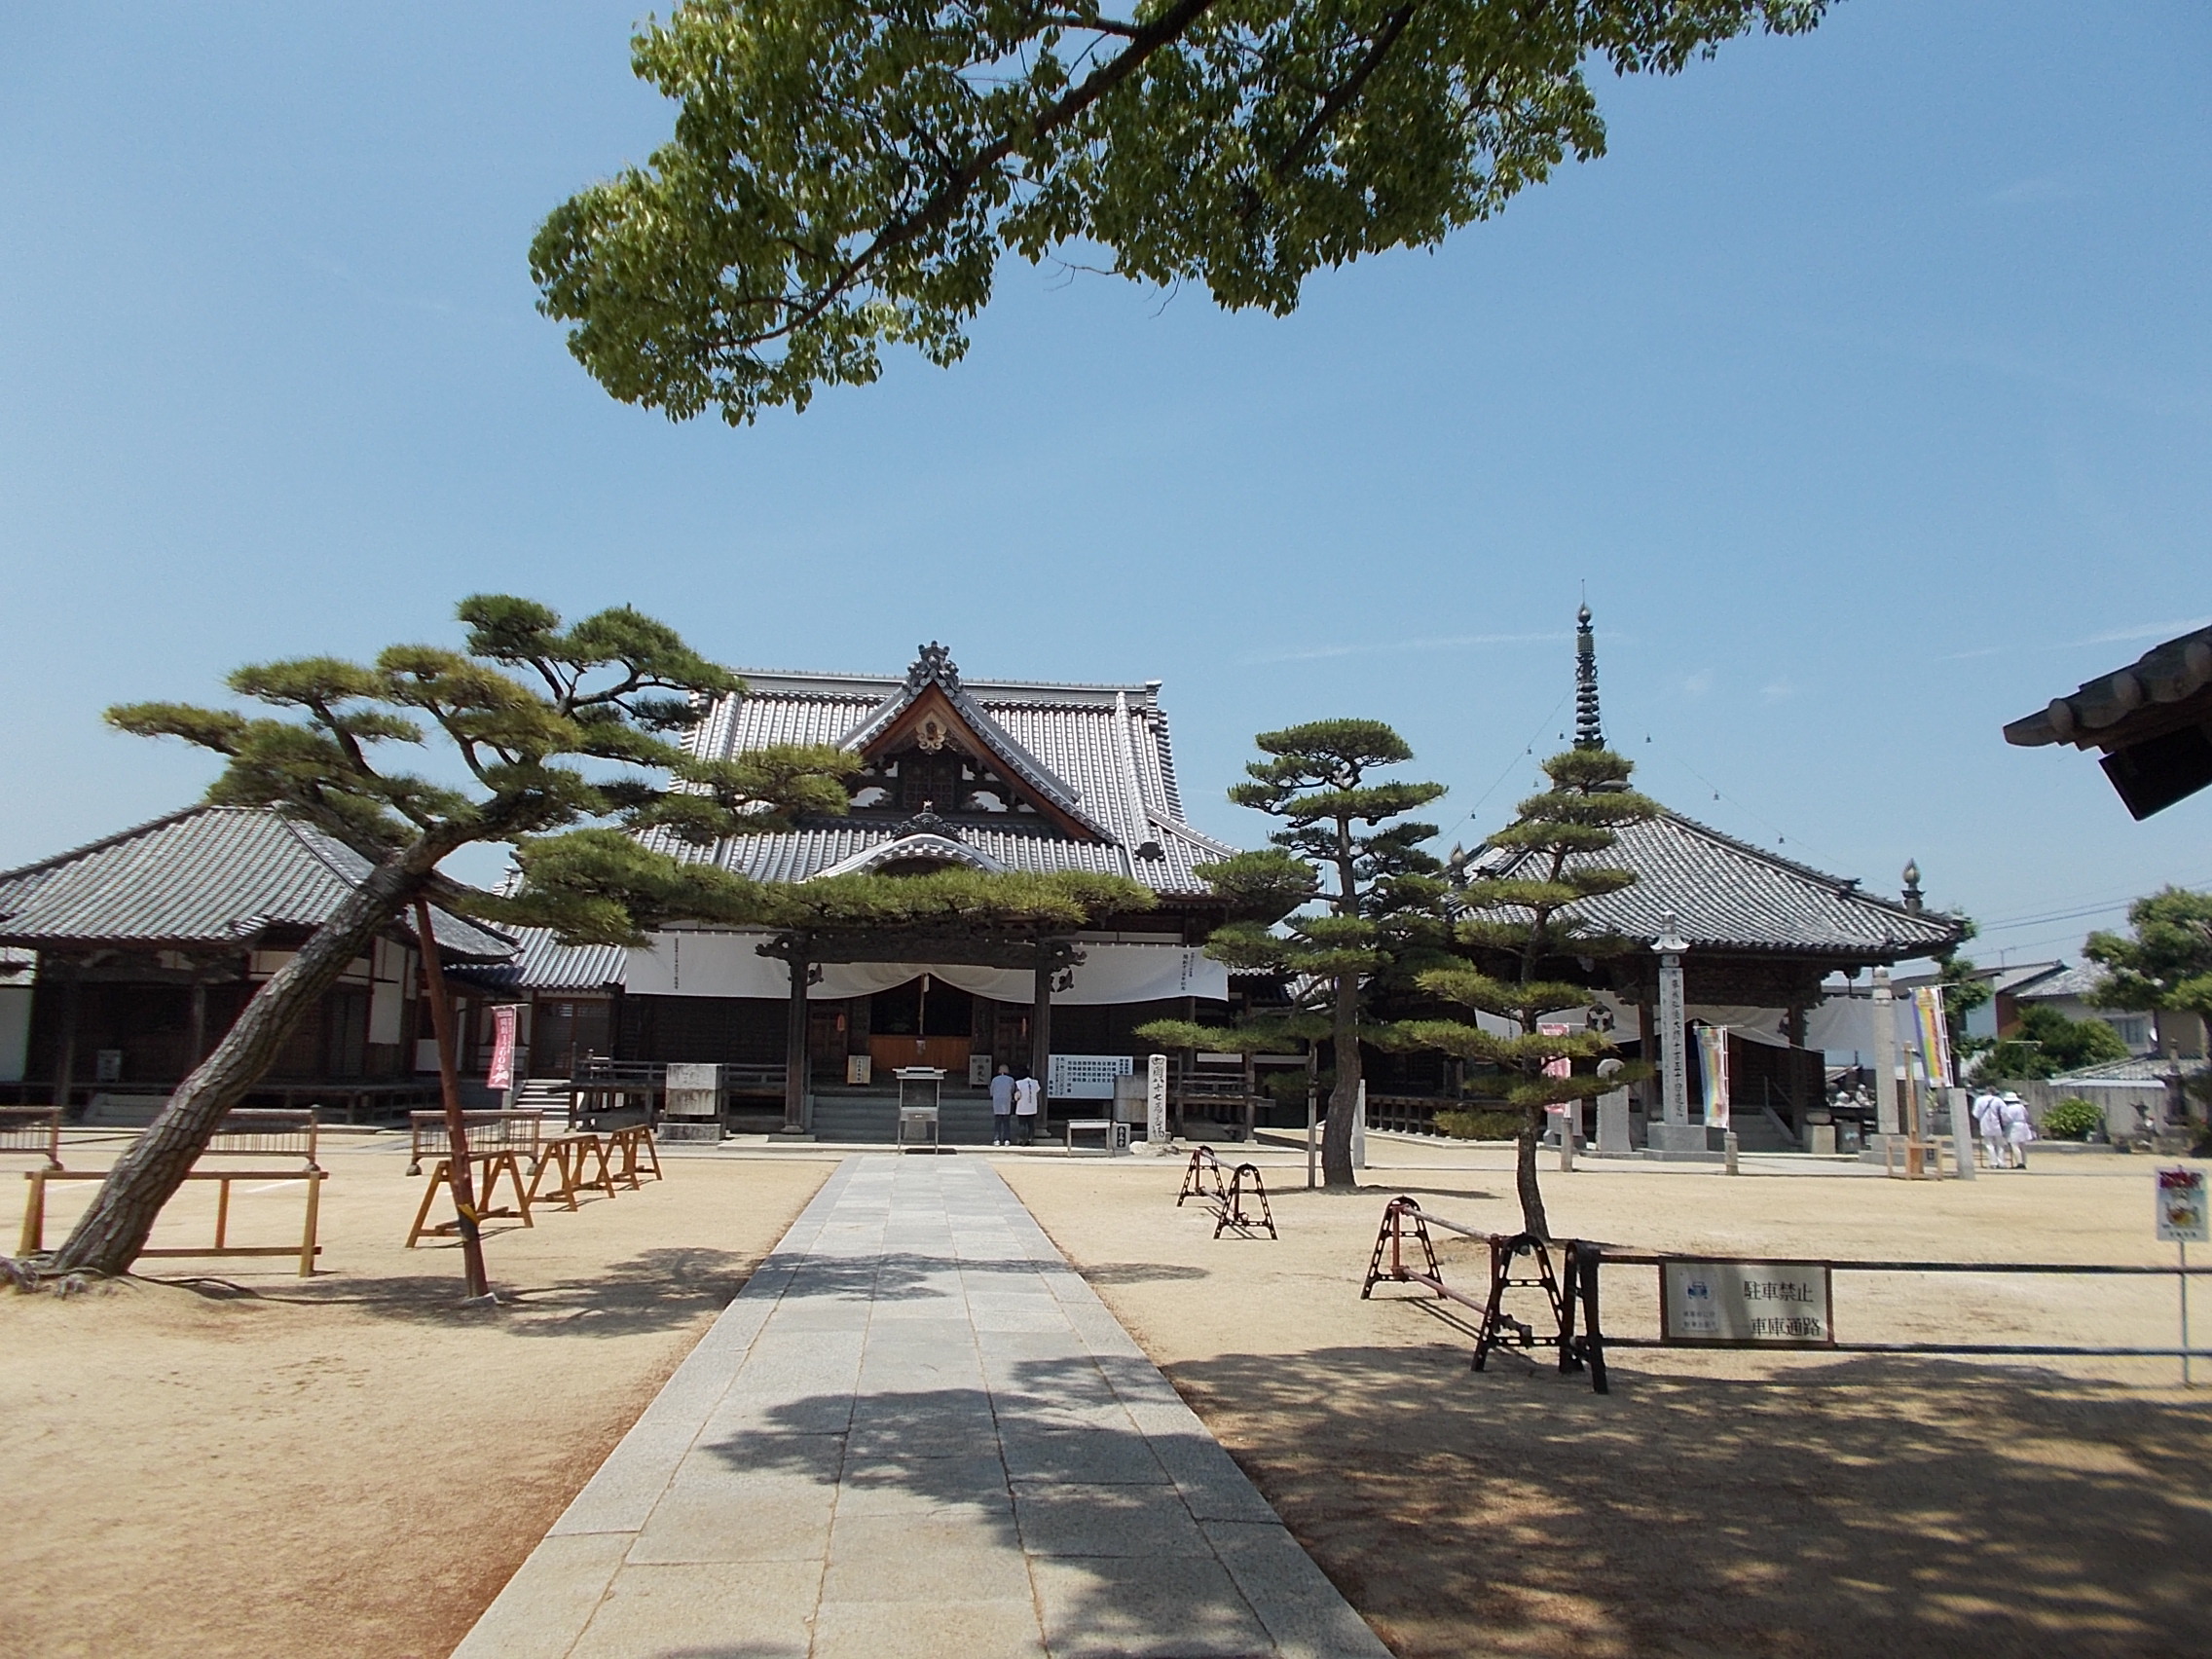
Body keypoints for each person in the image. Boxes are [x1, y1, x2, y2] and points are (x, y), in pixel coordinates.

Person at [1973, 1088, 2008, 1169]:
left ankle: (1993, 1163)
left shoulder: (1979, 1100)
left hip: (1985, 1124)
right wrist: (2004, 1123)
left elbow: (1975, 1113)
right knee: (2000, 1145)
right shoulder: (1999, 1100)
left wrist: (1981, 1118)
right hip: (1997, 1124)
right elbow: (2004, 1113)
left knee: (1989, 1144)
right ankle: (2001, 1163)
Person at [2000, 1091, 2034, 1169]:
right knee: (2022, 1145)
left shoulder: (2008, 1108)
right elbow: (2026, 1115)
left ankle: (2019, 1163)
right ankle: (2024, 1162)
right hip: (2023, 1124)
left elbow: (2007, 1118)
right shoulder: (2021, 1107)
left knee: (2014, 1145)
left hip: (2013, 1126)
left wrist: (2004, 1125)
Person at [1013, 1065, 1041, 1147]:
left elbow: (1017, 1095)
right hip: (1032, 1106)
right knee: (1031, 1124)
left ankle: (1022, 1140)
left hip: (1022, 1107)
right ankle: (1030, 1139)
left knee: (1022, 1124)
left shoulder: (1019, 1083)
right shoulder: (1035, 1082)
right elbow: (1038, 1092)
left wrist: (1015, 1099)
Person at [988, 1063, 1015, 1147]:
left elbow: (991, 1091)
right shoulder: (1010, 1079)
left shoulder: (995, 1079)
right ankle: (1007, 1139)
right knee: (1006, 1122)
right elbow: (1013, 1090)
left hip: (997, 1102)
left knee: (998, 1122)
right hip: (1007, 1101)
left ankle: (997, 1139)